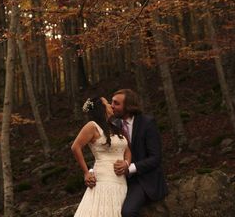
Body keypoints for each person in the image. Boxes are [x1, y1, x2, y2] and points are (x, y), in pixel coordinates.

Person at [110, 89, 167, 217]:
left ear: (128, 106)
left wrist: (129, 168)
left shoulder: (147, 123)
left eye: (116, 103)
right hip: (118, 179)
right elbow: (104, 152)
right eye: (111, 102)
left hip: (143, 179)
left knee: (128, 212)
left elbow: (155, 158)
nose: (111, 106)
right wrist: (90, 172)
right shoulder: (114, 125)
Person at [71, 96, 130, 216]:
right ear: (101, 108)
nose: (111, 106)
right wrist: (87, 172)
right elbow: (75, 147)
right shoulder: (92, 126)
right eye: (107, 103)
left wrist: (126, 163)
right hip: (103, 180)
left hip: (120, 180)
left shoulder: (115, 125)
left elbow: (127, 150)